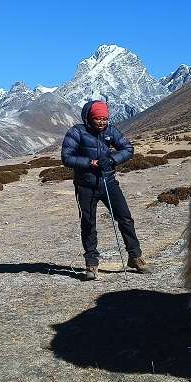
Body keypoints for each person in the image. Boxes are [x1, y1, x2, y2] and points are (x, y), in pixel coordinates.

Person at [61, 100, 149, 279]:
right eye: (98, 119)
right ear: (89, 118)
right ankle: (91, 264)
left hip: (108, 181)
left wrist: (113, 159)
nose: (102, 122)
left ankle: (135, 256)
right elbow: (66, 157)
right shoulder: (77, 132)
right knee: (88, 224)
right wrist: (90, 163)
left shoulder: (111, 131)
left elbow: (128, 148)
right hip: (85, 185)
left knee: (125, 218)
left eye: (105, 119)